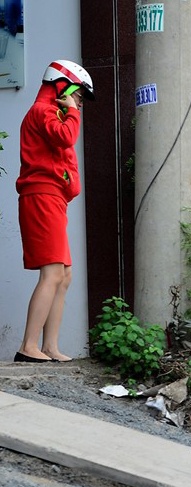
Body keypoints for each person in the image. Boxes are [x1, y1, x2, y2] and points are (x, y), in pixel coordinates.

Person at [13, 60, 94, 363]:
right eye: (78, 96)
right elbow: (65, 138)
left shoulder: (52, 113)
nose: (79, 104)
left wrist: (70, 110)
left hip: (53, 199)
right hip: (41, 196)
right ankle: (28, 346)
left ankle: (49, 346)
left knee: (64, 275)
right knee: (52, 273)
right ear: (63, 85)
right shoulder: (43, 112)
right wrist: (71, 110)